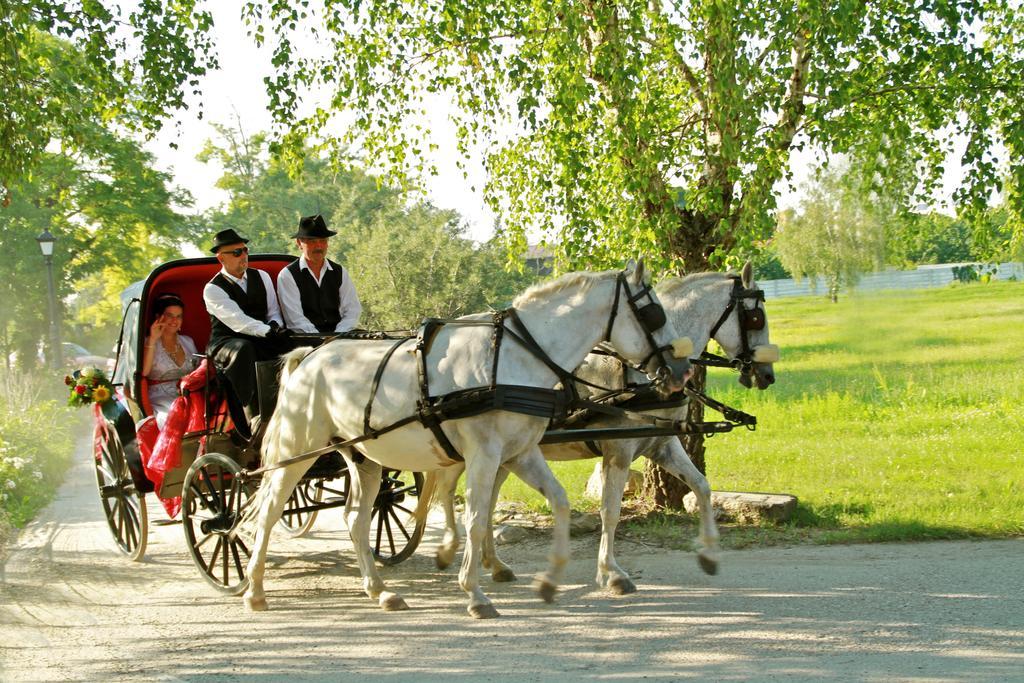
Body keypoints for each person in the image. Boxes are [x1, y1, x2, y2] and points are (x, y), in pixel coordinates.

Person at [202, 228, 292, 437]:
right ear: (220, 258)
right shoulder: (213, 289)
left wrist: (276, 327)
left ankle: (298, 403)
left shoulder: (262, 276)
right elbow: (237, 321)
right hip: (227, 341)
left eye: (244, 250)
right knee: (244, 349)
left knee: (294, 345)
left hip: (261, 335)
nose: (243, 256)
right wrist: (267, 331)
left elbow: (273, 311)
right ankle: (253, 413)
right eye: (236, 252)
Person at [276, 214, 362, 335]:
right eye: (312, 241)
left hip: (339, 336)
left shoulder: (340, 272)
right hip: (305, 339)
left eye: (323, 241)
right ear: (299, 243)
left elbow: (352, 310)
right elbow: (295, 320)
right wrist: (321, 339)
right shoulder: (287, 275)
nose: (319, 246)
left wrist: (337, 336)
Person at [141, 293, 198, 428]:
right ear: (158, 317)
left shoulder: (188, 341)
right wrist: (152, 340)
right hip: (160, 398)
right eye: (169, 315)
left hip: (190, 396)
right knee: (173, 419)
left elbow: (199, 371)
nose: (174, 320)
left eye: (178, 316)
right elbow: (144, 372)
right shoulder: (148, 342)